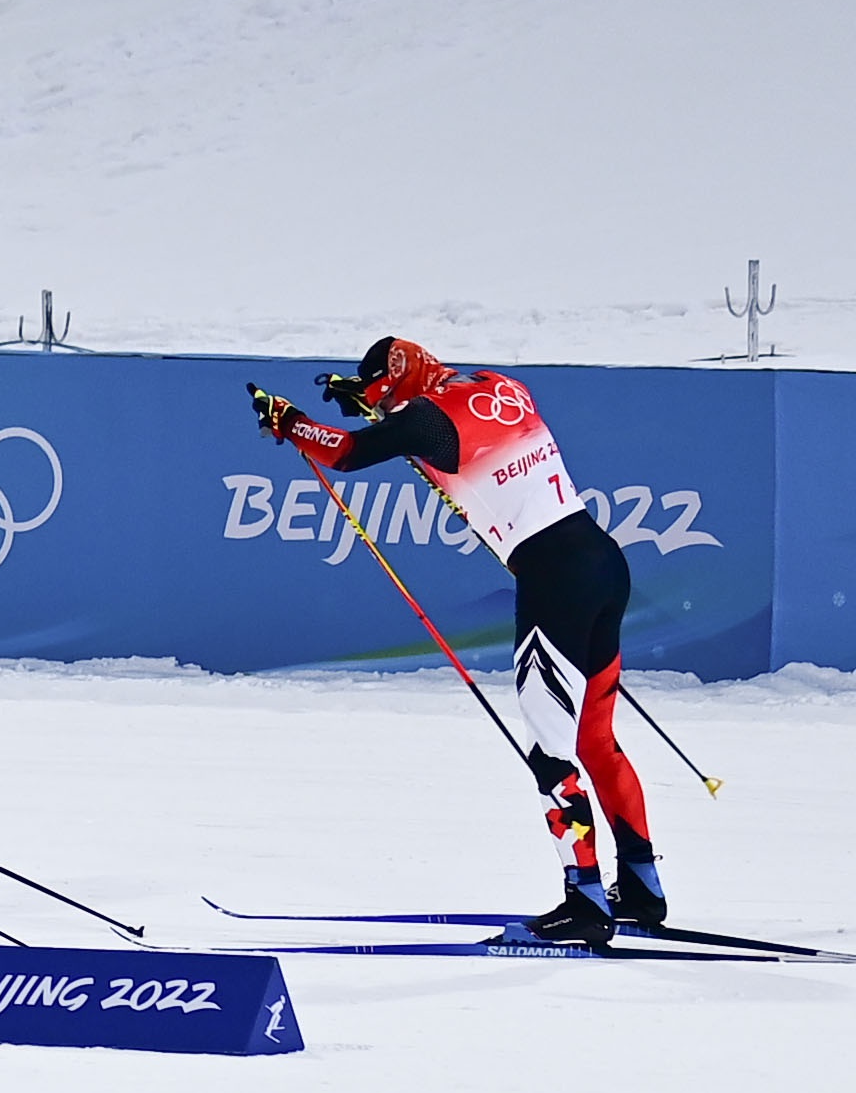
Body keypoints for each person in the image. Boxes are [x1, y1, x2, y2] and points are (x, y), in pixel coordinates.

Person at [254, 334, 659, 942]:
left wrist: (290, 421)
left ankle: (587, 905)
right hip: (601, 562)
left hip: (554, 584)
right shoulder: (497, 385)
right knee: (596, 739)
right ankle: (643, 889)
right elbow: (427, 425)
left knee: (552, 753)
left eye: (383, 399)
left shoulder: (422, 420)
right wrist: (373, 402)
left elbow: (348, 452)